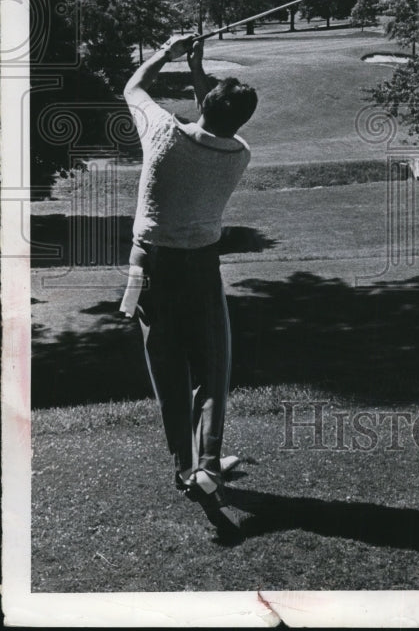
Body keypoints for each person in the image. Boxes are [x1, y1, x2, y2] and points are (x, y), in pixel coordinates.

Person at [121, 33, 257, 535]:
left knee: (167, 366)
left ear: (205, 104)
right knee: (212, 366)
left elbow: (133, 87)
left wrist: (168, 53)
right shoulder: (239, 153)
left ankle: (185, 465)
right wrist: (201, 68)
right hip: (201, 266)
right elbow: (215, 123)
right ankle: (208, 463)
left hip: (148, 265)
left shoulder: (162, 132)